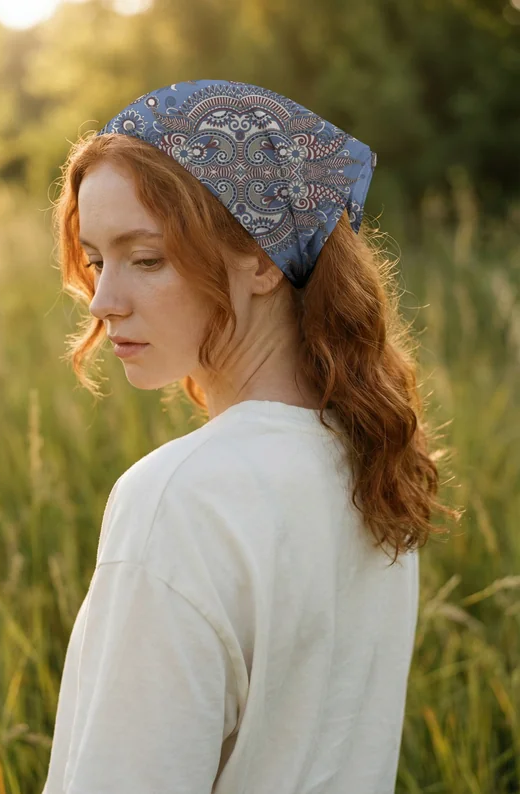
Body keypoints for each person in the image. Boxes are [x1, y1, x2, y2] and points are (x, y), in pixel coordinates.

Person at [42, 80, 460, 794]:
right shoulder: (368, 465)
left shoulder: (181, 498)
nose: (105, 301)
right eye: (97, 259)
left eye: (146, 259)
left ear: (263, 258)